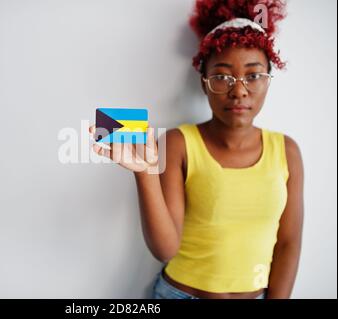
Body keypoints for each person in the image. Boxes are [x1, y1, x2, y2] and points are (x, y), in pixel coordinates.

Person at [89, 0, 304, 299]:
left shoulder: (288, 151)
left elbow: (289, 243)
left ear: (269, 80)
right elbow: (165, 249)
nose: (239, 90)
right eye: (222, 76)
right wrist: (145, 171)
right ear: (204, 83)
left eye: (253, 75)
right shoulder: (178, 143)